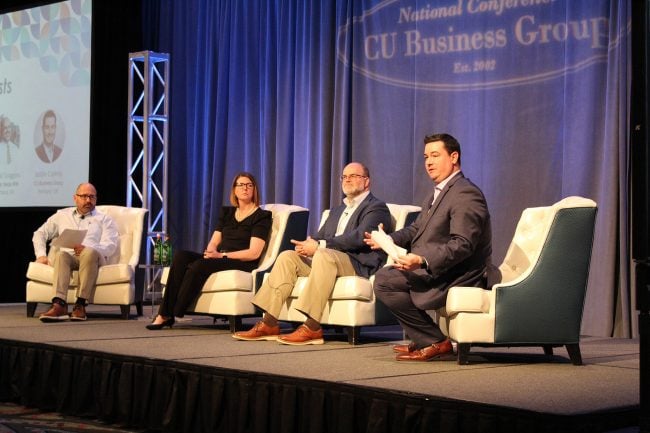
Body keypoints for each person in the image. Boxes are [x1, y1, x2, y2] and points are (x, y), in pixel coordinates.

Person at [365, 133, 492, 361]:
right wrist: (387, 239)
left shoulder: (465, 193)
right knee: (386, 276)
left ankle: (433, 340)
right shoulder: (438, 193)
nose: (429, 162)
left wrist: (423, 261)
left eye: (435, 155)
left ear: (454, 157)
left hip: (456, 272)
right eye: (426, 157)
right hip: (440, 269)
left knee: (385, 281)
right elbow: (416, 230)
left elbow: (463, 244)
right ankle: (425, 337)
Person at [233, 162, 392, 345]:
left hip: (357, 263)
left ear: (366, 181)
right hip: (329, 261)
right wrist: (307, 245)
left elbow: (360, 237)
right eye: (344, 176)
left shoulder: (376, 207)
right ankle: (269, 322)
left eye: (354, 176)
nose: (347, 180)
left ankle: (312, 327)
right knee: (288, 257)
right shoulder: (336, 211)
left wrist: (319, 245)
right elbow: (320, 237)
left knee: (323, 254)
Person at [146, 172, 272, 330]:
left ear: (254, 190)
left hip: (243, 261)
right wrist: (211, 251)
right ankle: (164, 314)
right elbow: (214, 241)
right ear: (234, 190)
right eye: (241, 185)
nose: (245, 188)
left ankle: (170, 313)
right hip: (221, 257)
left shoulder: (262, 216)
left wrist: (221, 255)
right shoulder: (227, 213)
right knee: (181, 256)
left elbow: (254, 253)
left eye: (249, 185)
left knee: (198, 266)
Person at [33, 183, 119, 322]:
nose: (88, 201)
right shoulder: (62, 215)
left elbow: (110, 245)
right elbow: (40, 233)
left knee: (89, 252)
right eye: (84, 196)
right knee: (61, 255)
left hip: (93, 257)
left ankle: (80, 304)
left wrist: (90, 248)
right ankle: (59, 304)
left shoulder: (104, 219)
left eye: (92, 197)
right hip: (69, 257)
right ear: (75, 198)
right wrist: (41, 255)